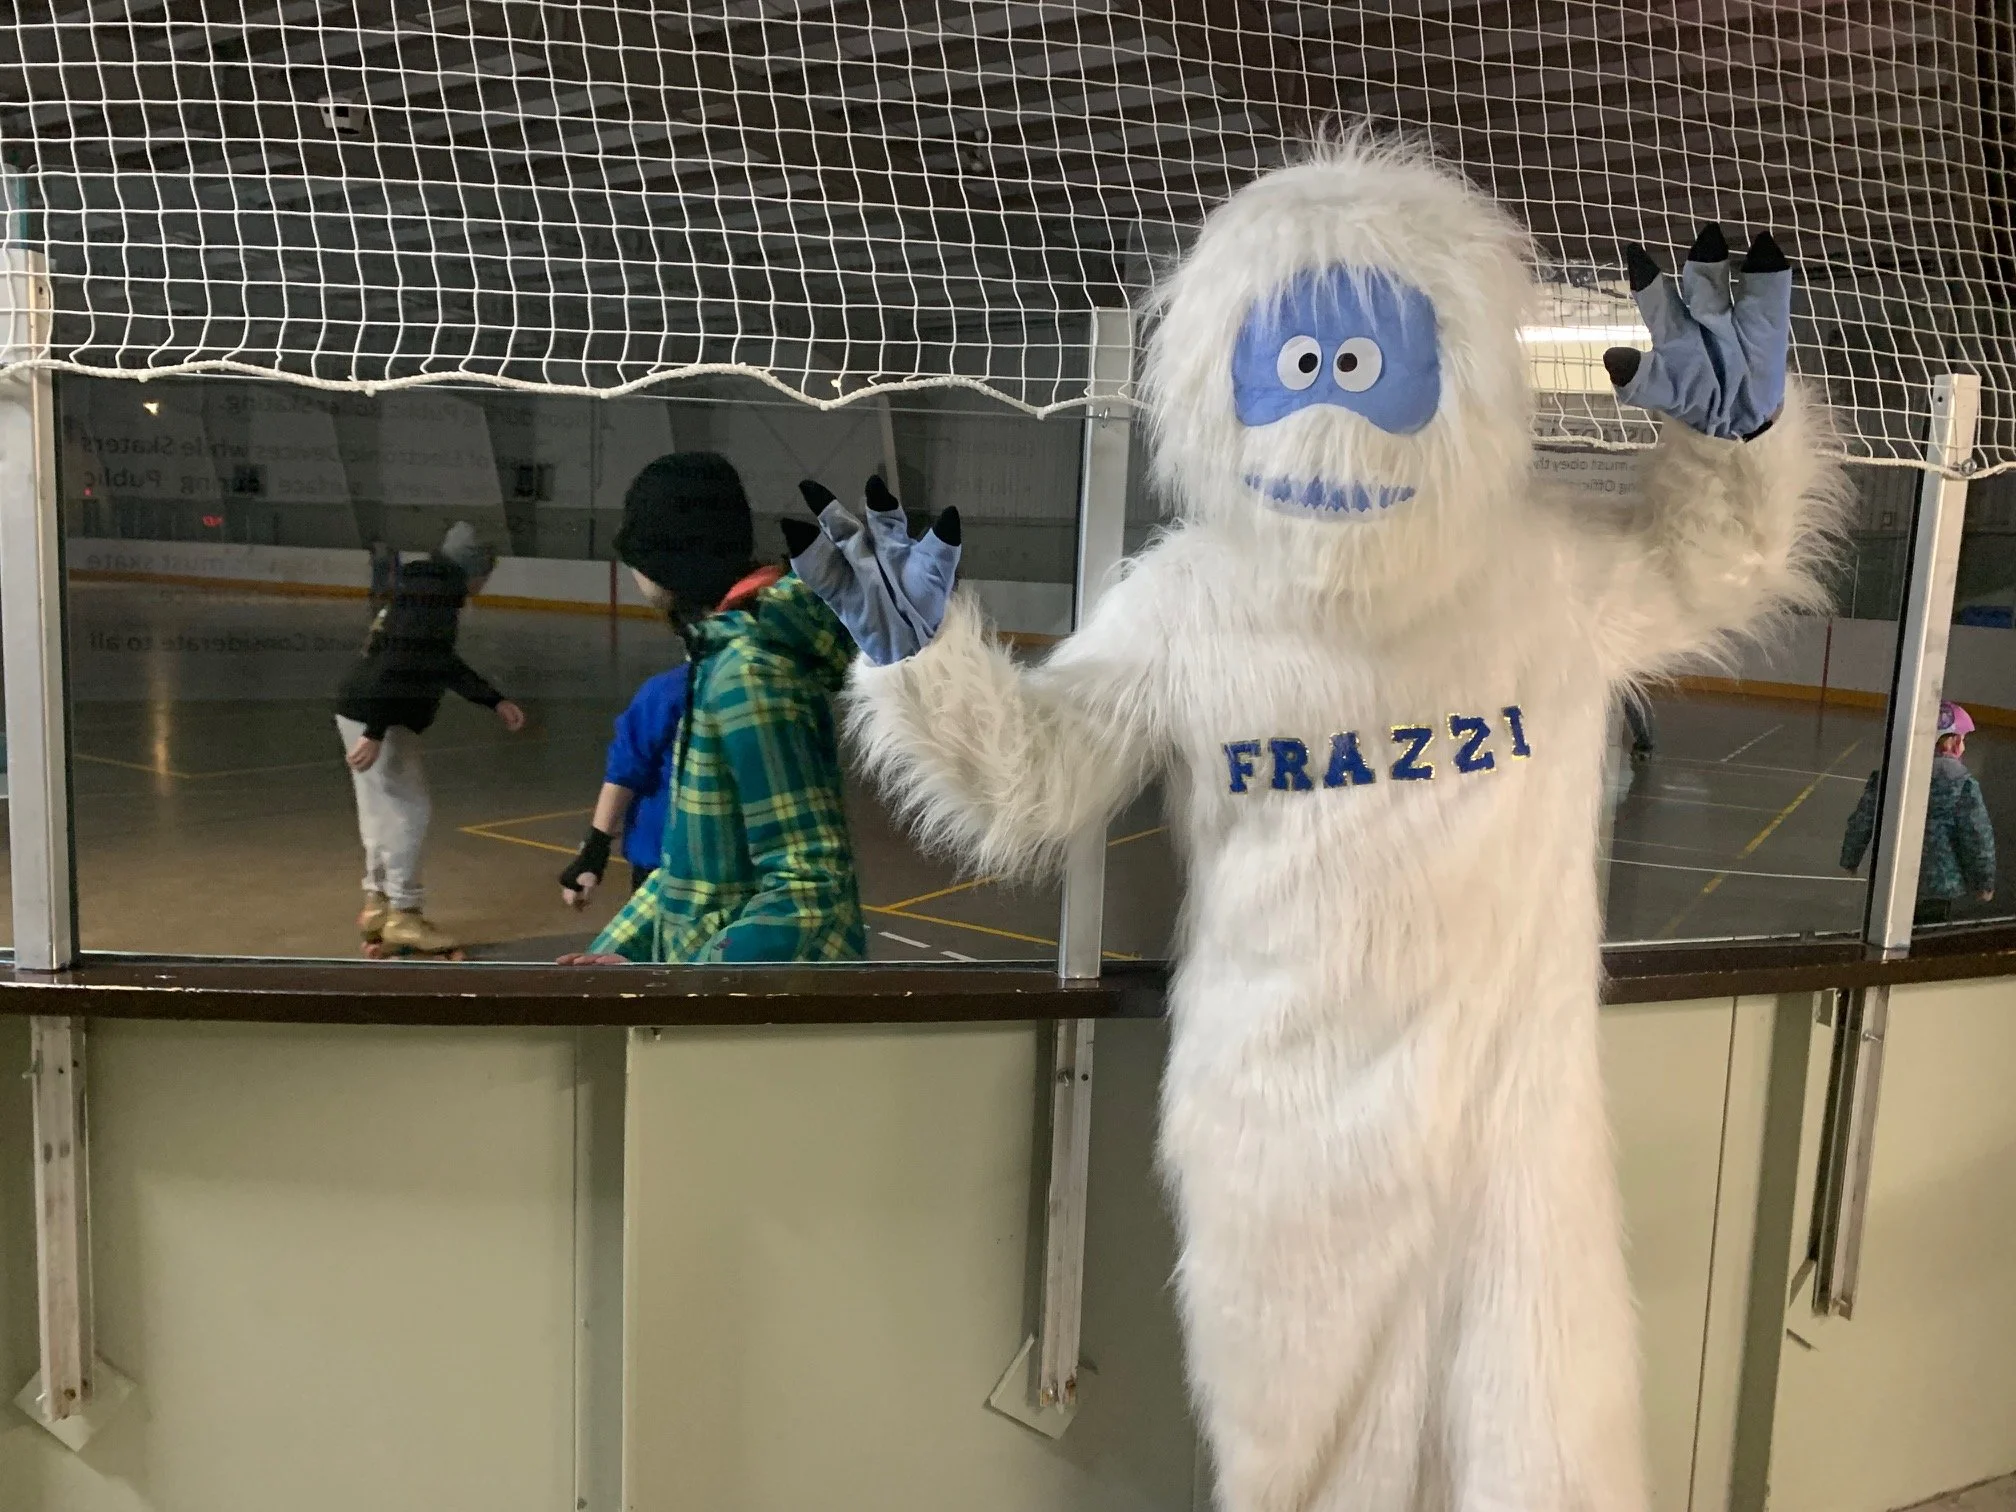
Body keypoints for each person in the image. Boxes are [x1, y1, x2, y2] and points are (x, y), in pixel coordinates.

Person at [559, 453, 865, 964]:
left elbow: (808, 883)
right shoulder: (719, 658)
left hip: (743, 1013)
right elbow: (687, 869)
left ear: (667, 561)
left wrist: (687, 985)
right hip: (706, 995)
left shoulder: (750, 672)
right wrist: (615, 954)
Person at [336, 521, 526, 954]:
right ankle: (405, 914)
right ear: (473, 570)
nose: (483, 585)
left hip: (356, 701)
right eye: (484, 575)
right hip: (379, 710)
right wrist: (376, 730)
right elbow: (401, 660)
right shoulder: (437, 598)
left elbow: (436, 659)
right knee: (409, 810)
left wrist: (492, 700)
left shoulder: (421, 587)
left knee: (379, 808)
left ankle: (377, 904)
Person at [1842, 699, 1996, 925]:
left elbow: (1862, 820)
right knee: (1927, 939)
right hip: (1940, 885)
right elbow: (1977, 836)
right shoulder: (1963, 785)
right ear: (1953, 743)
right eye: (1963, 740)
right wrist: (1983, 882)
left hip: (1891, 877)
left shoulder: (1890, 775)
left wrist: (1850, 858)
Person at [367, 538, 399, 613]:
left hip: (380, 560)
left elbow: (372, 550)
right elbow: (391, 550)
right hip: (383, 560)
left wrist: (372, 557)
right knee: (382, 576)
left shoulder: (376, 543)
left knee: (378, 576)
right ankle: (382, 592)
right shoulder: (386, 542)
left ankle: (378, 592)